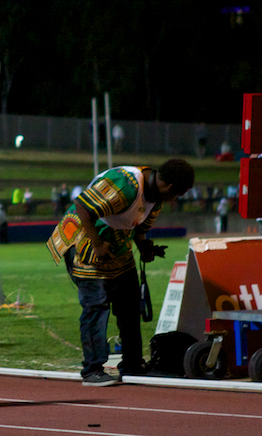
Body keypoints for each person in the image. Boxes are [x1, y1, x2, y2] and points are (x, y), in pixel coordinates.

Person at [46, 159, 195, 387]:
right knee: (96, 307)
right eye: (179, 194)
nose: (177, 200)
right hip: (85, 244)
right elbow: (82, 206)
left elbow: (139, 228)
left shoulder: (155, 198)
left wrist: (145, 247)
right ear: (171, 187)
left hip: (118, 249)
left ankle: (133, 364)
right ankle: (92, 370)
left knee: (130, 306)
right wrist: (96, 243)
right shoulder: (125, 185)